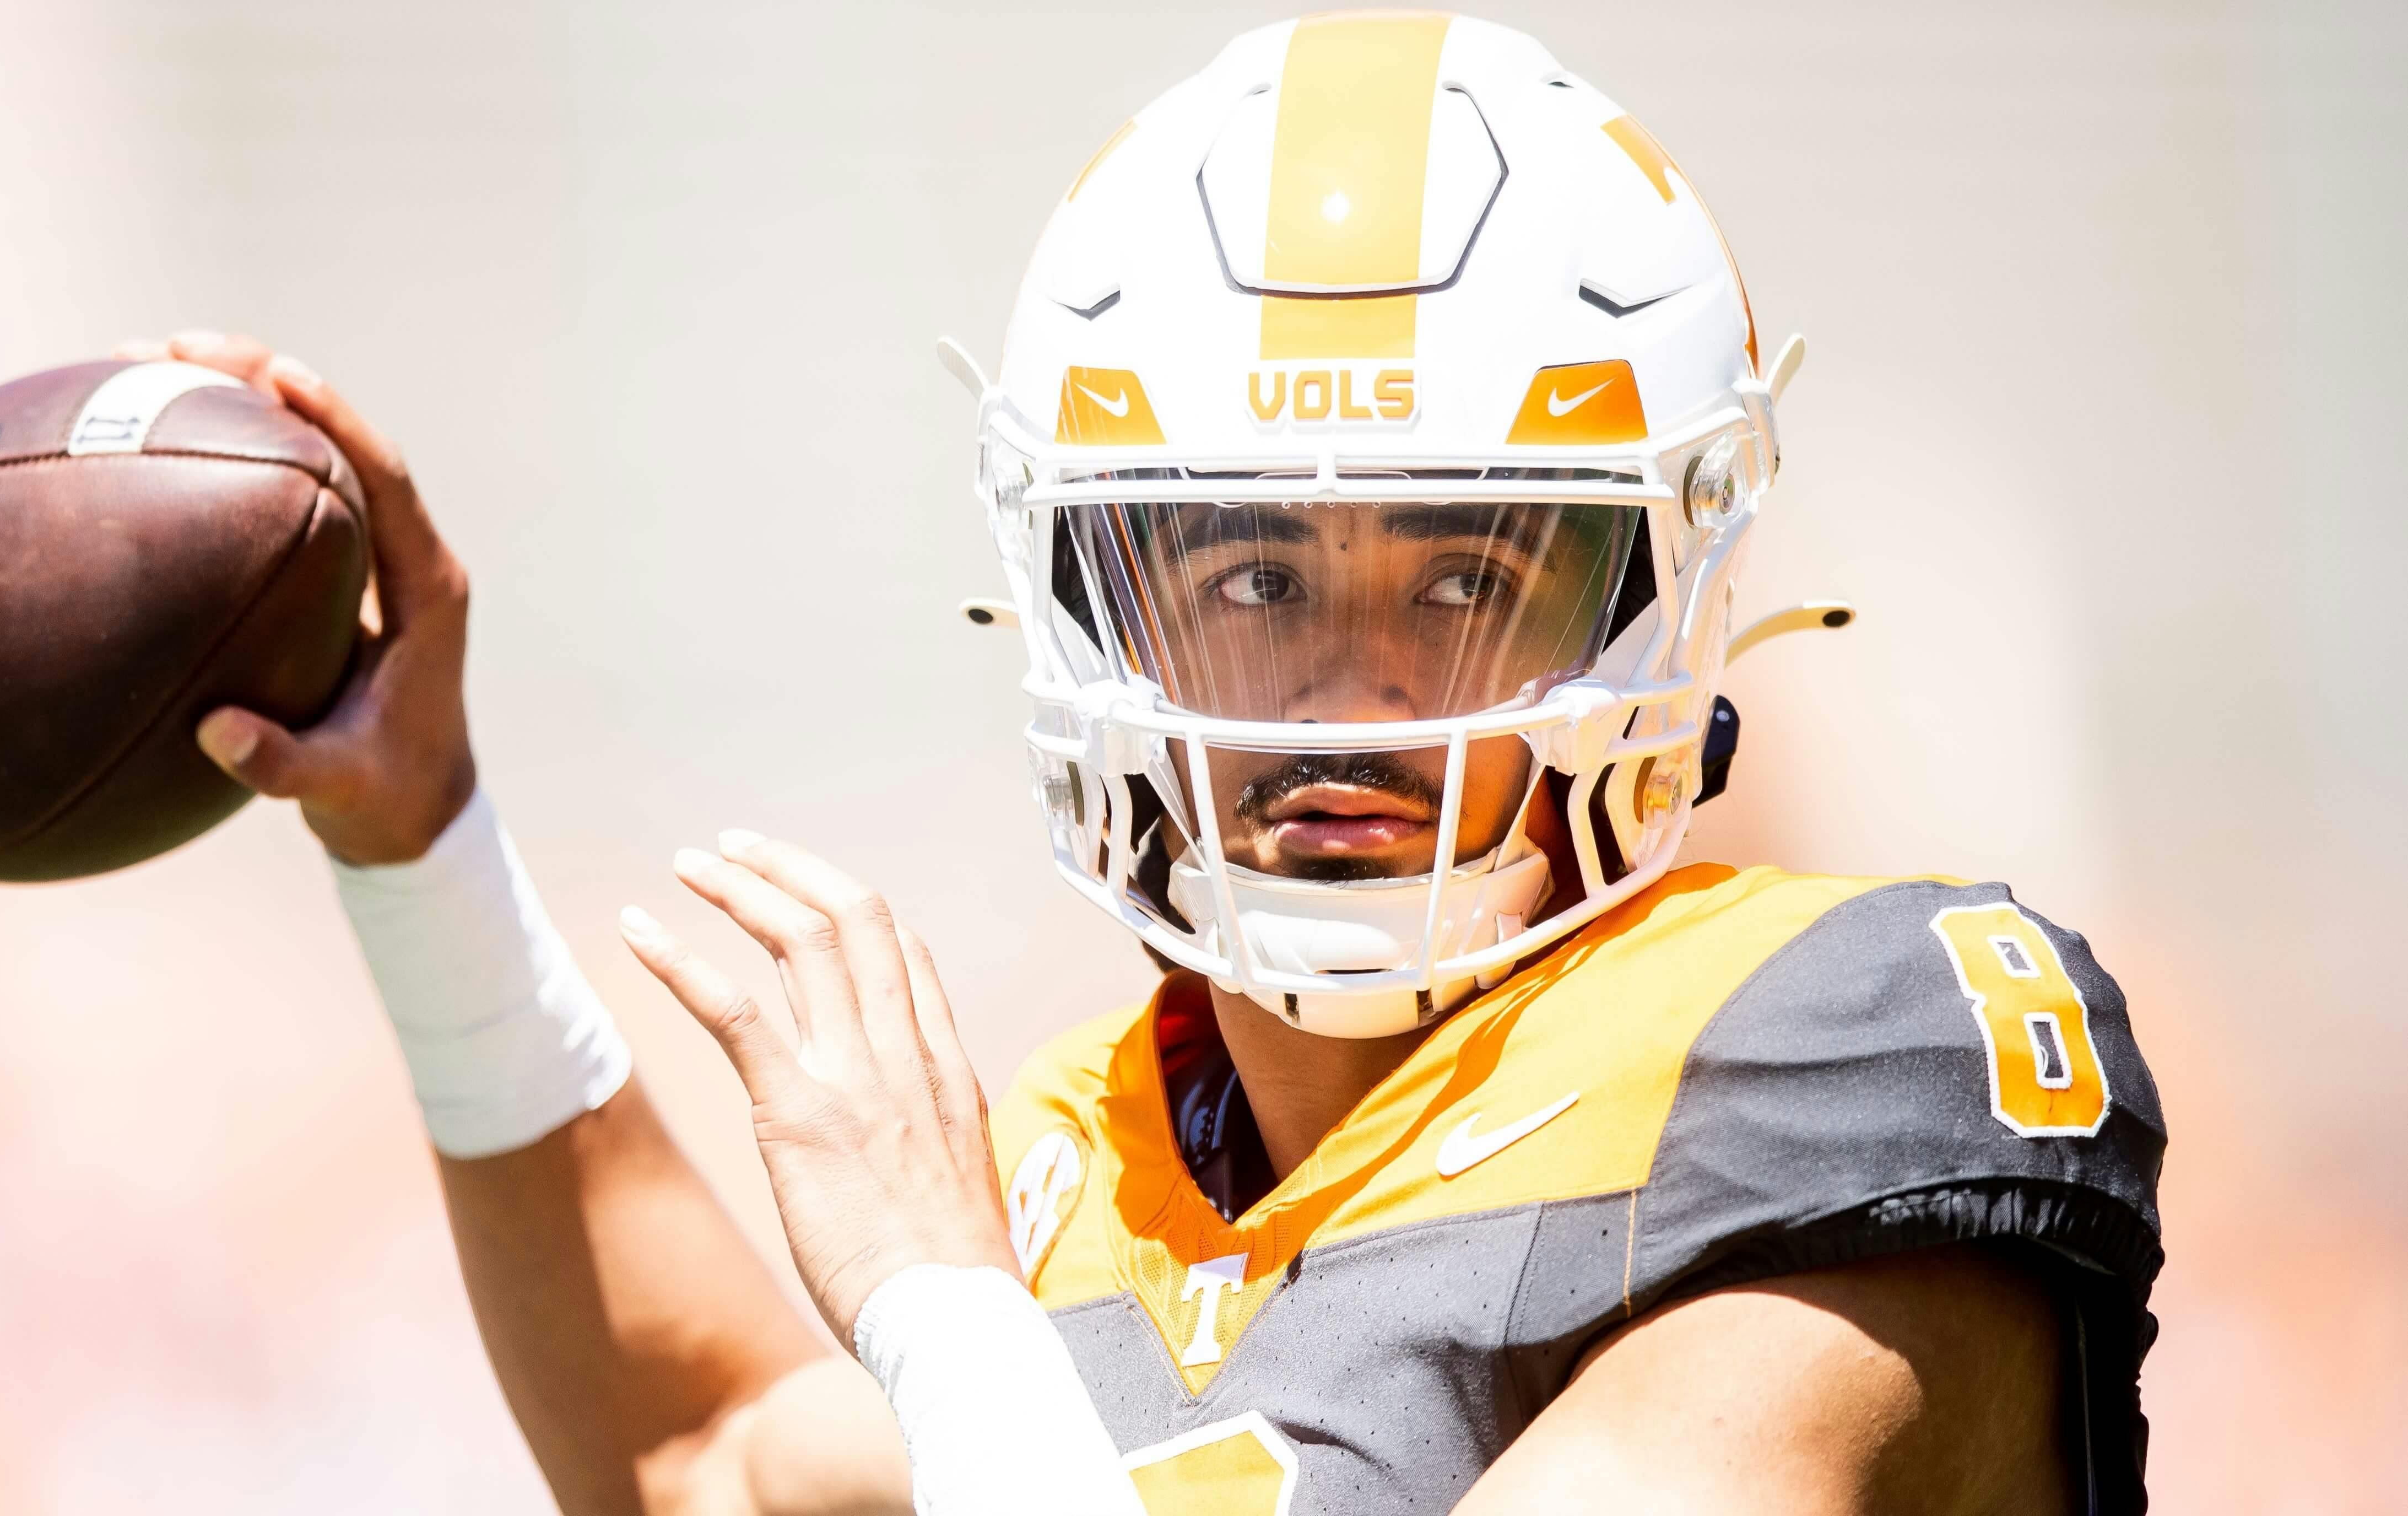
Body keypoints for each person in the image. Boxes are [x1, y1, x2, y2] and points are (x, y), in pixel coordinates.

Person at [143, 13, 2162, 1514]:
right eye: (1255, 572)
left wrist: (945, 1316)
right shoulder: (1100, 1157)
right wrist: (420, 851)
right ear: (1079, 592)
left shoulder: (1835, 1050)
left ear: (1659, 586)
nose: (1352, 694)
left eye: (1466, 577)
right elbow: (698, 1442)